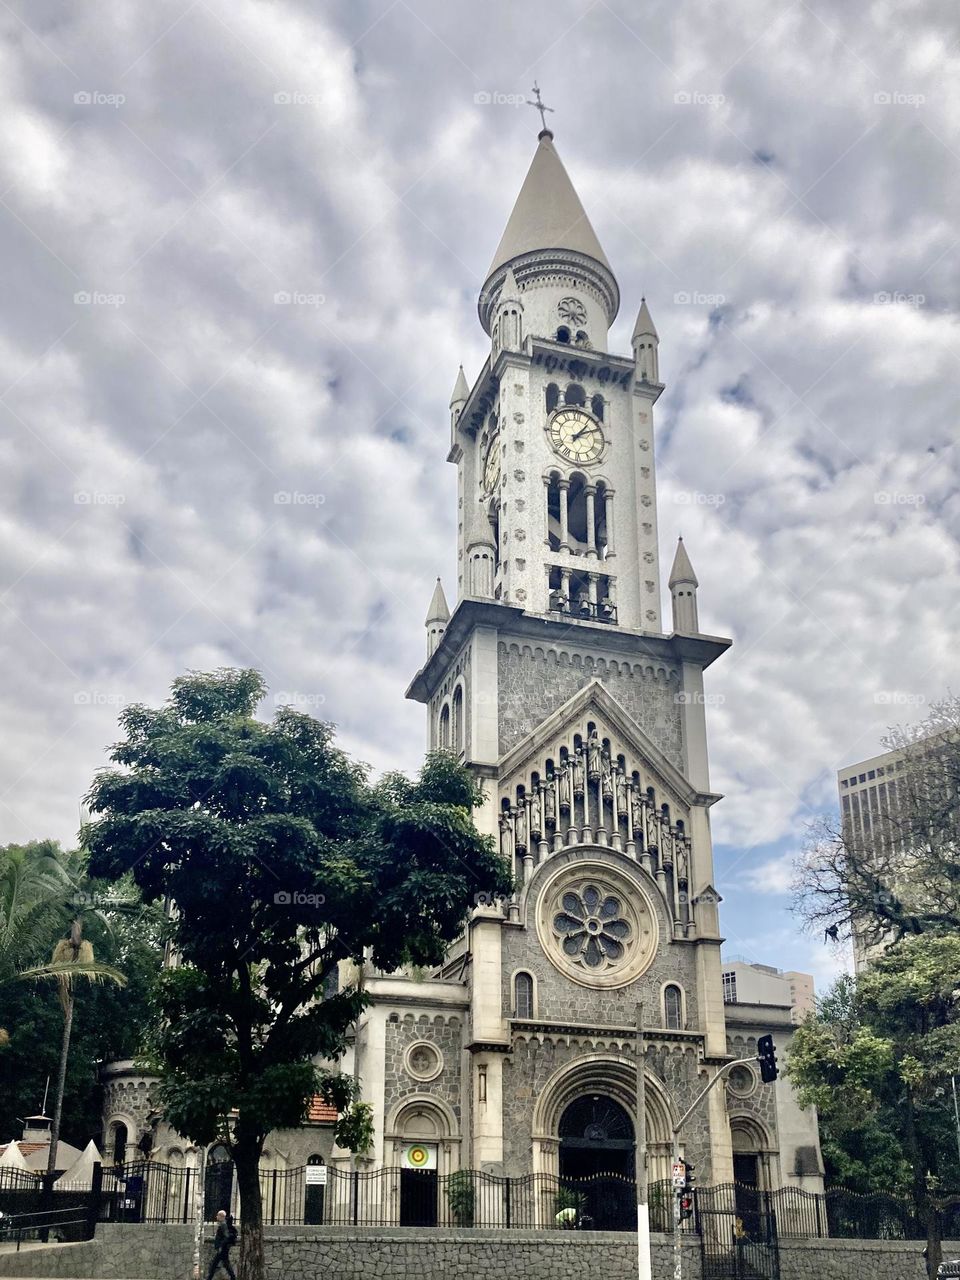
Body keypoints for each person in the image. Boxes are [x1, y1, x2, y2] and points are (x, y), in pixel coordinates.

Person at [206, 1209, 237, 1280]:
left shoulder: (223, 1224)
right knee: (225, 1263)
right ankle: (233, 1277)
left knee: (215, 1264)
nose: (216, 1217)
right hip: (223, 1248)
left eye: (217, 1215)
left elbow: (226, 1236)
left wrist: (221, 1246)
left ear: (221, 1216)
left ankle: (209, 1278)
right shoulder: (223, 1224)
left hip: (222, 1248)